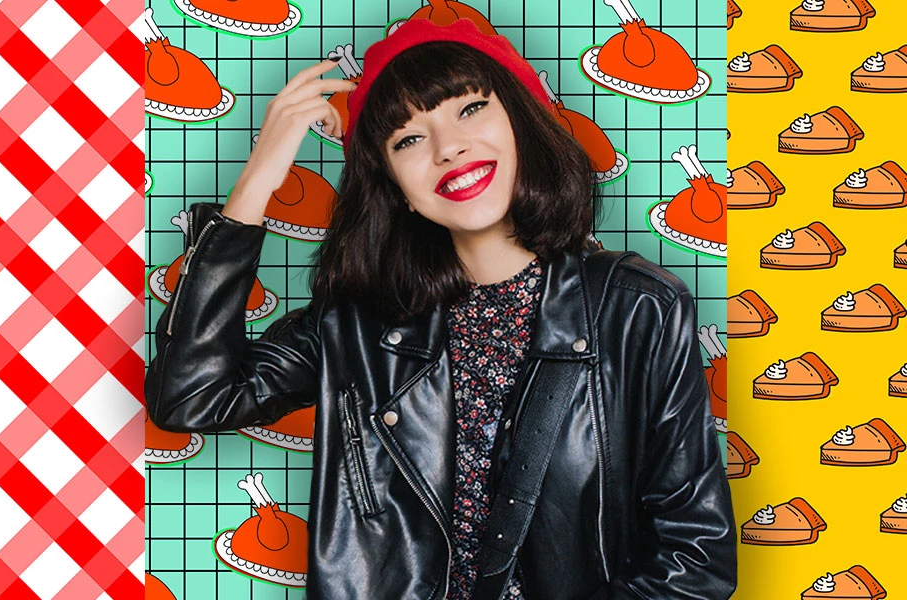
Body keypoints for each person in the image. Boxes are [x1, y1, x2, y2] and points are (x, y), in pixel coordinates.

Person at [145, 18, 737, 600]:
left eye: (470, 109)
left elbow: (696, 559)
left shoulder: (637, 309)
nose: (449, 147)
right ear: (396, 188)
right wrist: (257, 182)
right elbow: (191, 397)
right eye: (408, 140)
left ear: (521, 122)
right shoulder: (360, 321)